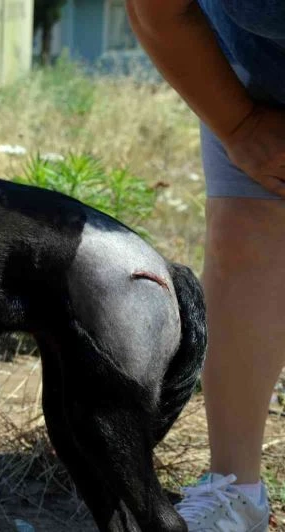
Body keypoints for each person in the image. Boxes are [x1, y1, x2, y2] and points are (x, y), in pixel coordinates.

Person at [128, 0, 285, 530]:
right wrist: (240, 127)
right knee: (244, 233)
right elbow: (154, 10)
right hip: (257, 67)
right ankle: (236, 492)